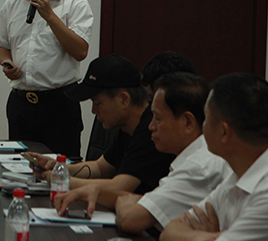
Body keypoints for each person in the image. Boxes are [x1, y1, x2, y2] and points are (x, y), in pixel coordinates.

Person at [54, 72, 231, 235]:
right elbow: (152, 201)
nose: (151, 126)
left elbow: (130, 219)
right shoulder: (196, 156)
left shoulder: (198, 167)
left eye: (158, 118)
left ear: (188, 123)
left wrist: (122, 203)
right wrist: (98, 191)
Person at [0, 0, 93, 158]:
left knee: (61, 169)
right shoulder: (14, 3)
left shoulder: (76, 4)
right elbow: (0, 46)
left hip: (60, 105)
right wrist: (6, 62)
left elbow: (80, 51)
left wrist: (49, 15)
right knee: (18, 168)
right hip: (20, 105)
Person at [160, 72, 268, 241]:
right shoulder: (238, 173)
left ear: (224, 132)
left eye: (206, 118)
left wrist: (207, 237)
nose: (203, 126)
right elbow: (169, 232)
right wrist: (212, 237)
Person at [32, 54, 174, 194]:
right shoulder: (127, 127)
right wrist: (58, 168)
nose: (93, 111)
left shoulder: (151, 130)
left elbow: (119, 187)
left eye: (97, 103)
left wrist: (60, 180)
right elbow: (100, 167)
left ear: (124, 99)